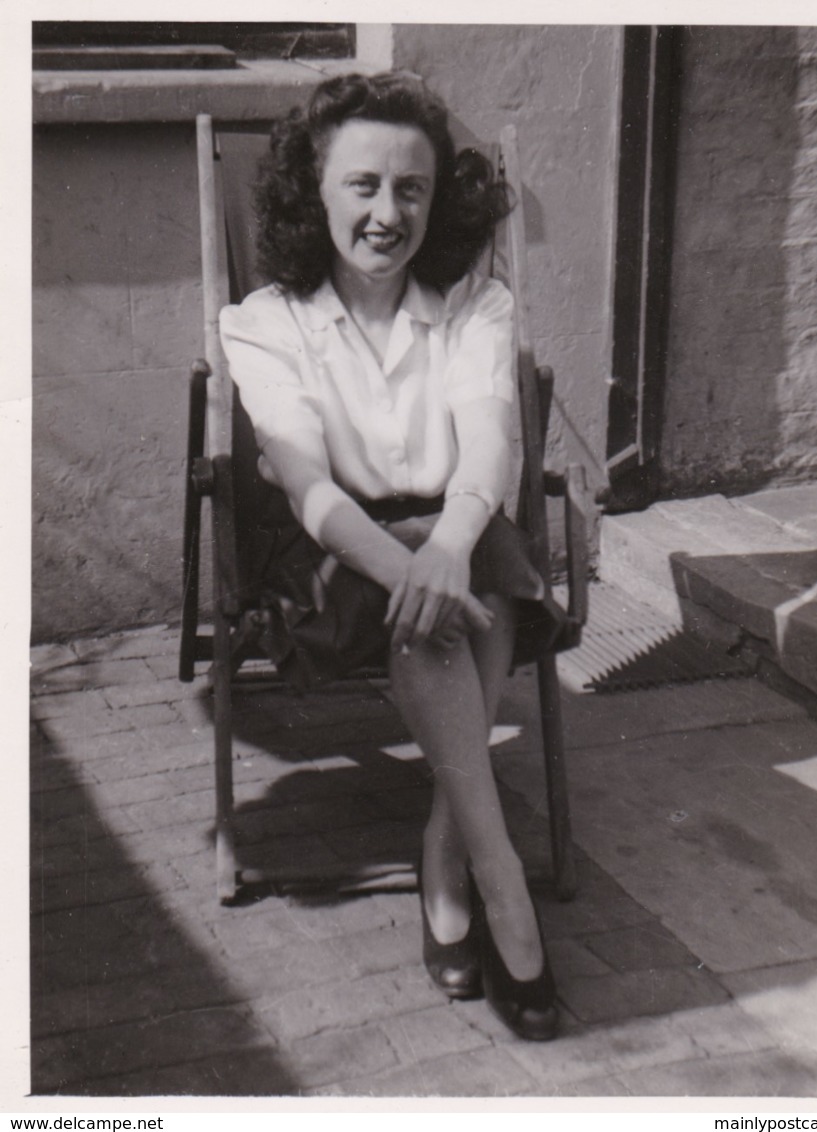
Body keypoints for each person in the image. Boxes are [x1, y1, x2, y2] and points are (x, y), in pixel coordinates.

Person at [219, 70, 564, 1042]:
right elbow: (305, 483)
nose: (387, 212)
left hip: (462, 536)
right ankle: (493, 878)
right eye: (362, 185)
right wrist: (425, 559)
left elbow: (489, 441)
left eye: (410, 189)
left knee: (474, 570)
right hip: (331, 556)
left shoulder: (472, 307)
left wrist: (448, 541)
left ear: (436, 200)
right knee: (464, 597)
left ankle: (452, 859)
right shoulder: (264, 321)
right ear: (313, 192)